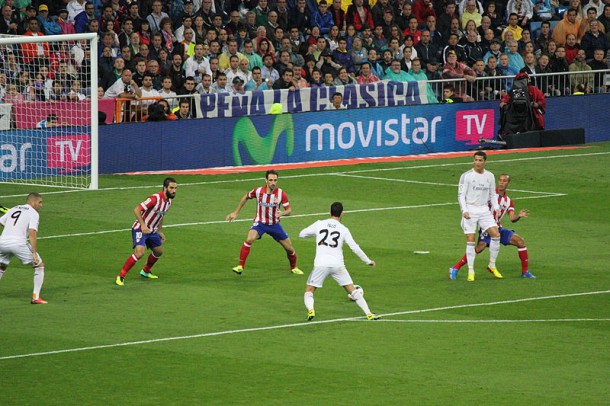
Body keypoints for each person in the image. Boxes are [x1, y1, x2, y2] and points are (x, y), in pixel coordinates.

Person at [299, 202, 380, 321]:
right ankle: (368, 313)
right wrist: (368, 261)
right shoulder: (343, 229)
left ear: (329, 211)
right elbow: (354, 247)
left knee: (309, 291)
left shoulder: (319, 224)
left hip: (321, 264)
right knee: (352, 290)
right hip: (338, 265)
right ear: (342, 213)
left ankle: (311, 309)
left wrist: (315, 235)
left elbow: (302, 234)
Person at [450, 174, 536, 279]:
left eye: (504, 181)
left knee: (520, 241)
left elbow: (512, 218)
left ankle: (525, 272)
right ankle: (455, 267)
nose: (501, 183)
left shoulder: (508, 201)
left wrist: (519, 215)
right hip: (486, 227)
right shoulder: (488, 194)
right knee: (480, 247)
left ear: (508, 183)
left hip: (498, 228)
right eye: (500, 180)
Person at [225, 170, 303, 276]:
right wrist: (236, 212)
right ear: (266, 180)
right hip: (260, 223)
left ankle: (293, 267)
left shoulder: (281, 194)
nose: (273, 183)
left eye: (275, 180)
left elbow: (289, 211)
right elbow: (246, 196)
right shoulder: (258, 191)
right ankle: (240, 266)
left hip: (274, 225)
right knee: (249, 239)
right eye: (270, 180)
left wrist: (282, 213)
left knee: (289, 248)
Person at [115, 177, 177, 286]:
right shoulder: (154, 199)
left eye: (175, 188)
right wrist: (143, 225)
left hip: (152, 231)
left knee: (158, 251)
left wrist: (160, 230)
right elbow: (137, 209)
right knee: (139, 253)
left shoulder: (169, 202)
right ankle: (121, 276)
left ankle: (145, 271)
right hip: (140, 228)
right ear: (165, 188)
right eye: (171, 188)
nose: (174, 191)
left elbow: (161, 216)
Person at [454, 151, 502, 282]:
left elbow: (492, 194)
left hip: (484, 210)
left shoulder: (490, 176)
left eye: (480, 160)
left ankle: (492, 265)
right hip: (470, 210)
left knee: (496, 235)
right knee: (471, 239)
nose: (478, 163)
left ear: (485, 162)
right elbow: (461, 195)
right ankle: (471, 271)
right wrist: (464, 210)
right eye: (476, 160)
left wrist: (496, 208)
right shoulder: (466, 176)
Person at [0, 193, 47, 304]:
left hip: (2, 242)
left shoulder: (14, 208)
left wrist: (13, 229)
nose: (41, 205)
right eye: (40, 202)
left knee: (1, 266)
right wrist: (34, 253)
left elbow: (1, 221)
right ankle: (35, 297)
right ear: (32, 201)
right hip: (18, 243)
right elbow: (32, 232)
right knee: (39, 266)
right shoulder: (33, 213)